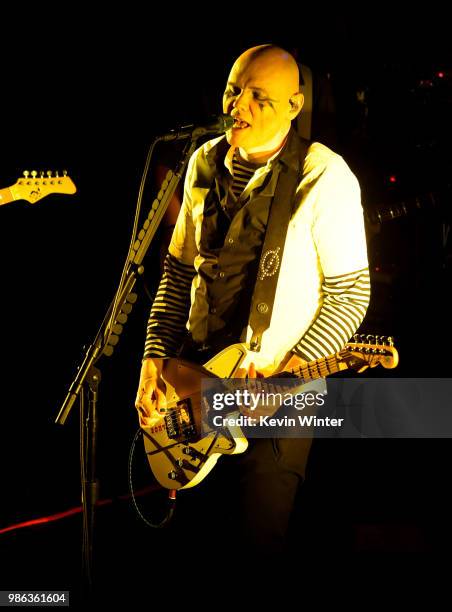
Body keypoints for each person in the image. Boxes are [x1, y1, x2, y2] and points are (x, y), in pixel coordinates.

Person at [135, 44, 370, 555]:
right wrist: (153, 362)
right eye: (233, 90)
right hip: (194, 390)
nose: (237, 105)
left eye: (258, 97)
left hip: (278, 407)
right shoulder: (201, 162)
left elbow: (351, 292)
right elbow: (177, 274)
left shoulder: (324, 175)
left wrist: (292, 370)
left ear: (294, 105)